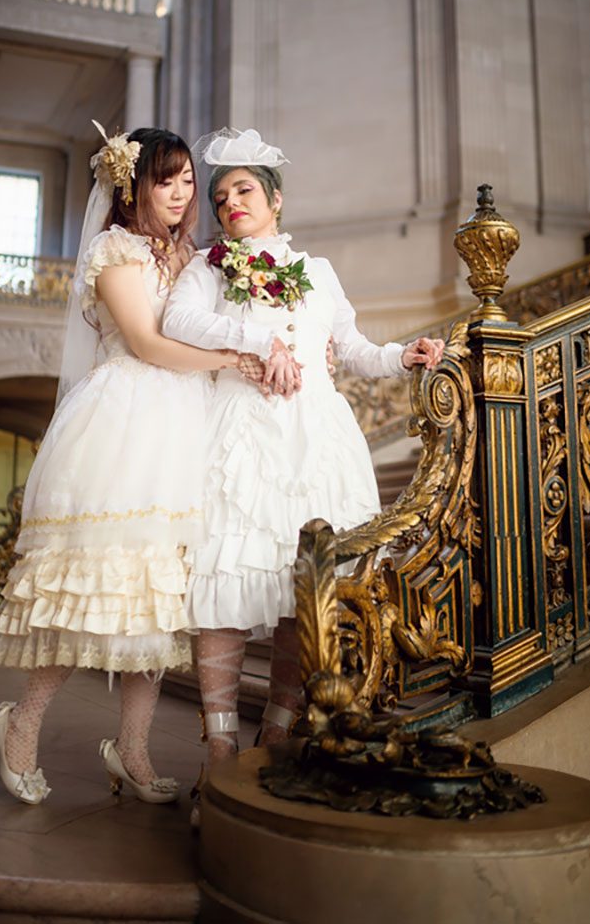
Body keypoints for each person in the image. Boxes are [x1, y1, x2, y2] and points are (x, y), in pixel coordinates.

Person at [0, 126, 258, 806]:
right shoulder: (111, 250)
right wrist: (231, 358)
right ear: (131, 183)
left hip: (186, 426)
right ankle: (22, 723)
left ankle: (131, 749)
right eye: (166, 179)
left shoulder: (195, 257)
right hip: (124, 424)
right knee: (89, 594)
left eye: (188, 179)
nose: (181, 192)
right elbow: (146, 340)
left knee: (161, 605)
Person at [162, 128, 444, 770]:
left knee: (305, 590)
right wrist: (258, 344)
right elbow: (176, 323)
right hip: (240, 439)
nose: (230, 201)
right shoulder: (207, 270)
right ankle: (219, 744)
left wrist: (405, 355)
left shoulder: (317, 271)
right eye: (221, 195)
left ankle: (278, 731)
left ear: (275, 200)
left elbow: (353, 348)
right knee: (224, 586)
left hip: (317, 439)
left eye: (244, 189)